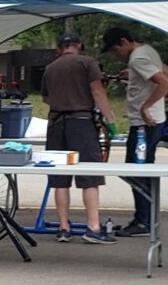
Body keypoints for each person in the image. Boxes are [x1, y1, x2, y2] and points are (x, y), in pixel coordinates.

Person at [40, 33, 117, 243]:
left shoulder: (51, 68)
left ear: (59, 48)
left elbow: (46, 97)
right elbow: (97, 90)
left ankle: (63, 228)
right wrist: (109, 120)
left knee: (59, 178)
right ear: (79, 46)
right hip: (82, 123)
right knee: (89, 175)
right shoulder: (88, 63)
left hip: (56, 124)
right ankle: (93, 227)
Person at [102, 25, 167, 238]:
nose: (115, 55)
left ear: (124, 41)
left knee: (136, 172)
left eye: (114, 50)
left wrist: (146, 106)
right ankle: (146, 217)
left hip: (144, 124)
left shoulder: (138, 58)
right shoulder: (148, 51)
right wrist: (135, 75)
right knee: (141, 170)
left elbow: (164, 82)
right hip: (154, 122)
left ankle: (144, 221)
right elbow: (163, 71)